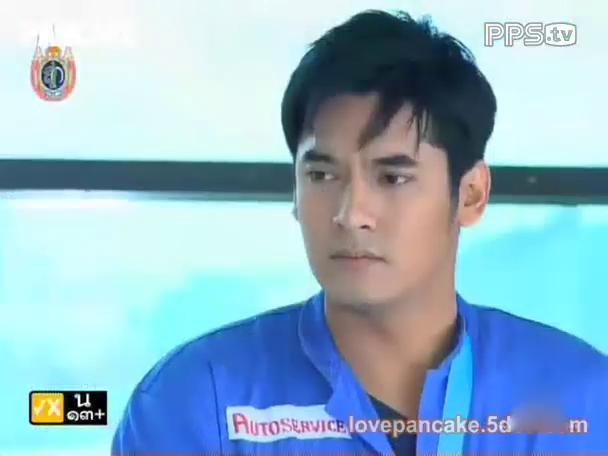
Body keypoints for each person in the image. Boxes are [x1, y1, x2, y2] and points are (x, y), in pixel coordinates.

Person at [111, 10, 608, 455]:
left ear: (471, 195)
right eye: (321, 175)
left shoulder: (581, 399)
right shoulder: (199, 400)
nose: (351, 214)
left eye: (393, 178)